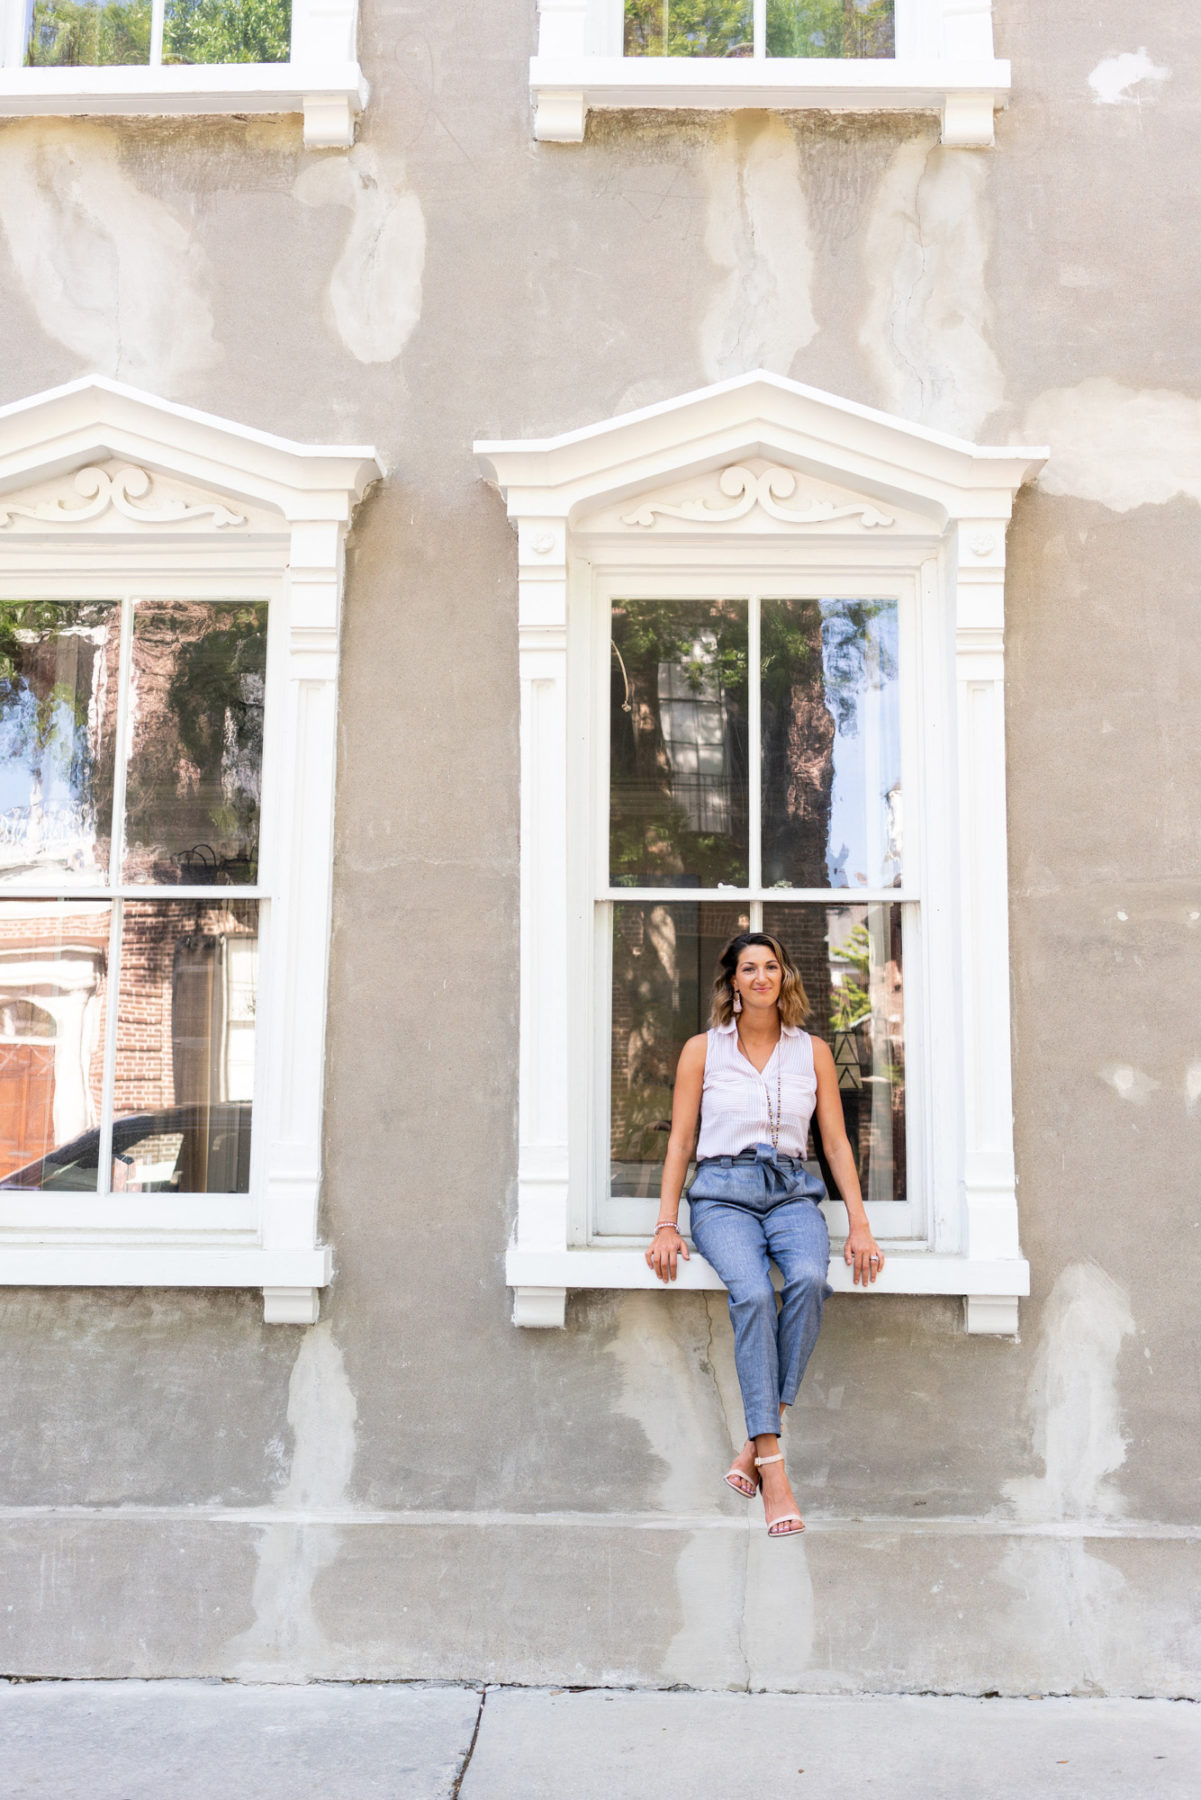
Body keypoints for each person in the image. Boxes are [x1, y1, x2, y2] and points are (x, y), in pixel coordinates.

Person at [646, 931, 884, 1537]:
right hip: (722, 1194)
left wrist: (860, 1225)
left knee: (807, 1276)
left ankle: (757, 1439)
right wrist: (667, 1223)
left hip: (791, 1192)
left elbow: (833, 1143)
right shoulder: (703, 1051)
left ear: (785, 978)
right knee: (751, 1293)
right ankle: (774, 1470)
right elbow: (679, 1140)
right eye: (747, 969)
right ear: (732, 984)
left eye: (770, 966)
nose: (759, 977)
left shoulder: (814, 1053)